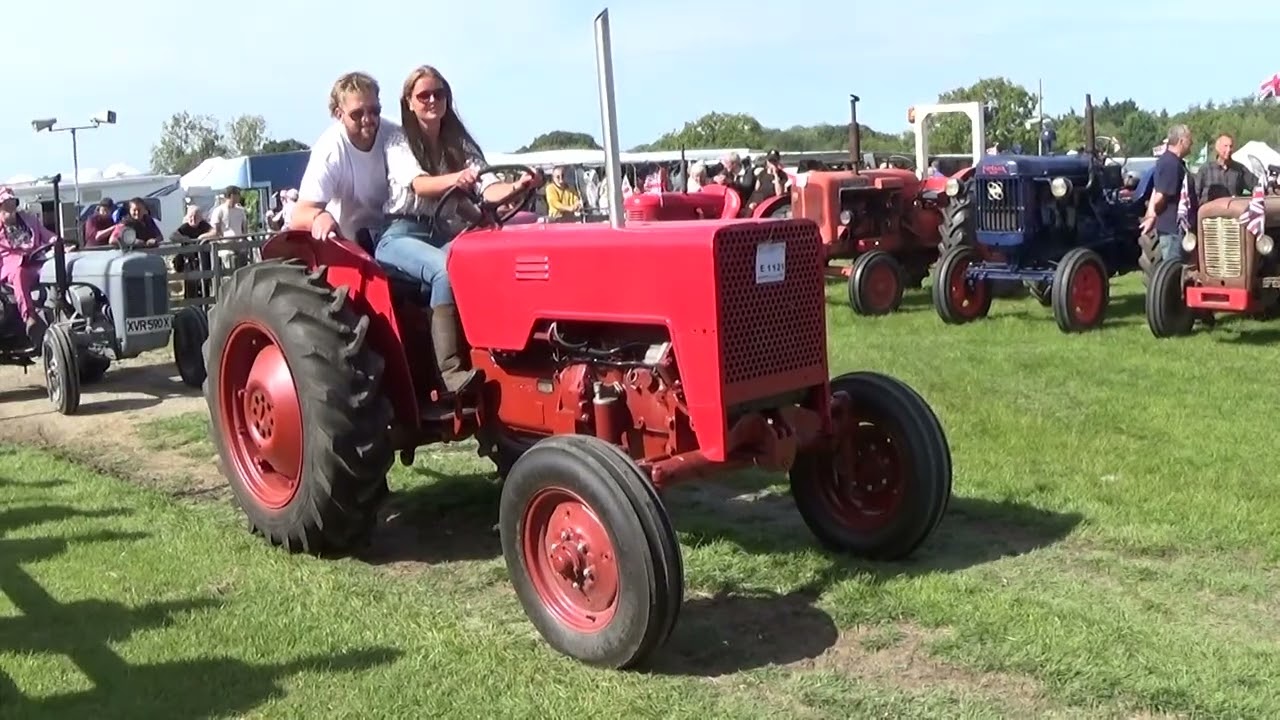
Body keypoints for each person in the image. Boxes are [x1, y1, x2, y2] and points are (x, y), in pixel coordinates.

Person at [379, 64, 537, 402]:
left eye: (439, 93)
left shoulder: (458, 143)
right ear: (409, 102)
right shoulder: (399, 140)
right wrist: (455, 179)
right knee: (445, 270)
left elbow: (487, 187)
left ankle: (505, 354)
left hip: (441, 232)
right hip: (401, 235)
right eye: (423, 95)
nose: (432, 100)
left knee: (486, 260)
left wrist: (517, 185)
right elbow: (419, 185)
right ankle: (450, 371)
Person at [291, 71, 394, 243]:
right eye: (357, 114)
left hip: (394, 237)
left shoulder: (395, 134)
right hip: (349, 243)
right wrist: (319, 217)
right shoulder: (330, 149)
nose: (367, 119)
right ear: (339, 114)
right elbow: (300, 214)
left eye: (374, 111)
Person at [0, 186, 60, 347]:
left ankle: (64, 312)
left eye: (12, 202)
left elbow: (47, 235)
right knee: (19, 274)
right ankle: (30, 318)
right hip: (13, 265)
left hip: (38, 260)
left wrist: (57, 242)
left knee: (61, 268)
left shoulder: (29, 219)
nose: (10, 206)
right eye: (6, 203)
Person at [1140, 124, 1197, 262]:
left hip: (1176, 230)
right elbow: (1160, 196)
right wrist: (1152, 216)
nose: (1192, 143)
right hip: (1172, 231)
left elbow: (1156, 190)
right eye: (1189, 140)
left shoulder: (1171, 162)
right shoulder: (1170, 164)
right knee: (1174, 271)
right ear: (1181, 141)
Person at [1195, 134, 1256, 204]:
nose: (1229, 149)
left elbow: (1256, 186)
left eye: (1231, 146)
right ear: (1217, 148)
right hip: (1210, 212)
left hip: (1232, 212)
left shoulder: (1239, 169)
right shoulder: (1206, 170)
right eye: (1225, 146)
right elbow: (1196, 194)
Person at [170, 205, 214, 299]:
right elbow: (172, 236)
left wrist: (202, 237)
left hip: (203, 260)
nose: (193, 219)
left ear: (200, 217)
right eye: (190, 216)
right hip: (189, 261)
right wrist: (184, 239)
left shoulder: (203, 225)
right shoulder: (185, 227)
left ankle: (204, 304)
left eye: (195, 216)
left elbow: (215, 233)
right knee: (190, 285)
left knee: (204, 283)